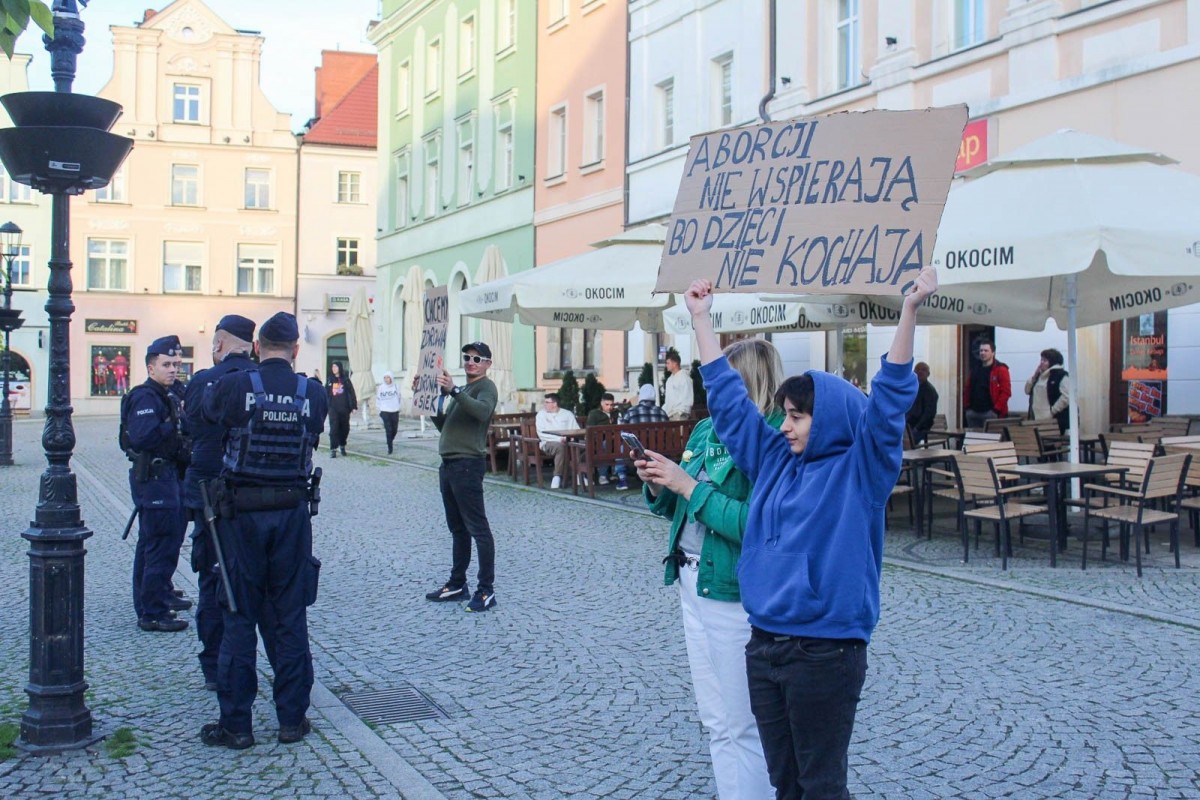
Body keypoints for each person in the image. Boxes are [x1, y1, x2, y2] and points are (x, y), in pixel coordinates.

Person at [683, 265, 936, 798]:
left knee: (820, 785)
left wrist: (909, 310)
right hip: (766, 645)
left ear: (832, 417)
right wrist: (702, 319)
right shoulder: (775, 459)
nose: (787, 425)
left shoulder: (861, 471)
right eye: (785, 415)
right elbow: (728, 405)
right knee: (785, 782)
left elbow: (890, 402)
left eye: (798, 417)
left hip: (825, 652)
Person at [637, 338, 783, 800]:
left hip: (732, 590)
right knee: (715, 719)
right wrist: (660, 485)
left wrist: (687, 487)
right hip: (688, 578)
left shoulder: (772, 436)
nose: (713, 395)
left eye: (724, 384)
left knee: (744, 722)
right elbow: (678, 505)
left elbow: (754, 525)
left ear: (748, 384)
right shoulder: (704, 429)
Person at [199, 312, 327, 750]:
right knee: (290, 617)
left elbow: (207, 417)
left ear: (257, 347)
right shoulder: (314, 393)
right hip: (292, 515)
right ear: (295, 350)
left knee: (238, 616)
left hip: (241, 516)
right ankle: (292, 720)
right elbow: (314, 431)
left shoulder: (237, 387)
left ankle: (237, 725)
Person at [183, 314, 259, 691]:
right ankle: (248, 662)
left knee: (214, 581)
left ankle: (215, 665)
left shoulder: (201, 381)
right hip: (253, 497)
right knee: (255, 580)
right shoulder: (261, 383)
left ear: (218, 345)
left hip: (208, 497)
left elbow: (190, 432)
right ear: (252, 347)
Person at [120, 335, 190, 633]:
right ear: (151, 368)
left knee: (157, 542)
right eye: (167, 364)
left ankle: (157, 595)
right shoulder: (145, 397)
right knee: (159, 544)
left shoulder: (166, 394)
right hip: (155, 478)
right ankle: (152, 612)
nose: (173, 369)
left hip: (166, 476)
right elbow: (142, 437)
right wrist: (171, 423)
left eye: (176, 364)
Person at [424, 342, 499, 612]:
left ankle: (486, 590)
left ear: (488, 363)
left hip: (467, 464)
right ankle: (457, 583)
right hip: (450, 465)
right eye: (467, 357)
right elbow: (446, 426)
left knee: (478, 529)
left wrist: (453, 390)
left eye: (477, 359)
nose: (471, 362)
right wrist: (428, 399)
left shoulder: (485, 388)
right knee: (458, 528)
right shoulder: (466, 390)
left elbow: (481, 412)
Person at [613, 384, 669, 491]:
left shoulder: (631, 412)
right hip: (658, 451)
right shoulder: (662, 413)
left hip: (637, 450)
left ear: (641, 396)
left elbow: (622, 433)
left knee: (620, 448)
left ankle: (623, 479)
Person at [962, 339, 1011, 429]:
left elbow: (1006, 392)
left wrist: (996, 409)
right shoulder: (975, 368)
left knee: (991, 441)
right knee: (974, 440)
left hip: (990, 413)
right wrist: (967, 407)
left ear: (993, 353)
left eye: (986, 350)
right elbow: (968, 388)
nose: (983, 353)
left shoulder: (1000, 369)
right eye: (981, 350)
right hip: (973, 412)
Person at [536, 392, 578, 489]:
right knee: (560, 448)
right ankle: (557, 476)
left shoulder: (567, 414)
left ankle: (580, 474)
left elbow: (575, 429)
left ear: (554, 404)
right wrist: (559, 439)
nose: (544, 404)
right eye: (544, 402)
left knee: (583, 446)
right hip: (547, 443)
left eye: (547, 402)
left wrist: (570, 439)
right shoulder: (541, 415)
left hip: (568, 441)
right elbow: (541, 434)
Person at [1025, 347, 1071, 433]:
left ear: (1052, 363)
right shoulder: (1039, 376)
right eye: (1041, 360)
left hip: (1053, 420)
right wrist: (1034, 376)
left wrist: (1052, 411)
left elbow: (1067, 396)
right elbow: (1027, 390)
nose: (1041, 363)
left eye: (1045, 360)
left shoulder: (1061, 376)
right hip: (1036, 417)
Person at [326, 360, 357, 458]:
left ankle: (342, 445)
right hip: (333, 408)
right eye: (333, 367)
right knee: (334, 429)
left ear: (340, 368)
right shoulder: (330, 380)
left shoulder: (346, 380)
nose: (334, 369)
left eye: (336, 367)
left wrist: (354, 406)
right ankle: (333, 449)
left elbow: (352, 393)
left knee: (345, 429)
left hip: (344, 408)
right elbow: (325, 393)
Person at [586, 393, 618, 485]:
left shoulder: (616, 413)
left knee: (620, 445)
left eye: (611, 405)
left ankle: (616, 472)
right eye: (607, 404)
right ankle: (603, 475)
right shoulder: (594, 414)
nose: (609, 407)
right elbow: (590, 430)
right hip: (599, 441)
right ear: (601, 403)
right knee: (605, 444)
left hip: (615, 439)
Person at [906, 362, 939, 444]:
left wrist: (917, 428)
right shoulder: (910, 388)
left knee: (907, 442)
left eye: (923, 370)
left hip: (921, 427)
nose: (920, 372)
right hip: (907, 425)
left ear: (928, 374)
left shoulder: (930, 391)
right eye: (917, 370)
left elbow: (929, 414)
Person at [664, 351, 695, 421]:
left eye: (668, 363)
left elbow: (687, 397)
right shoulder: (669, 380)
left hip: (680, 414)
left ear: (675, 363)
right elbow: (668, 400)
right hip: (669, 415)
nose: (666, 365)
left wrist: (682, 411)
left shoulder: (684, 378)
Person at [377, 371, 402, 454]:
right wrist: (379, 408)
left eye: (388, 377)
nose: (386, 379)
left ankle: (390, 440)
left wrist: (399, 406)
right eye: (385, 378)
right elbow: (378, 398)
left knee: (394, 429)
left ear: (391, 378)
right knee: (389, 429)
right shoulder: (381, 387)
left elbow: (399, 397)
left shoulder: (396, 386)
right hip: (385, 410)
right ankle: (390, 447)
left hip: (394, 410)